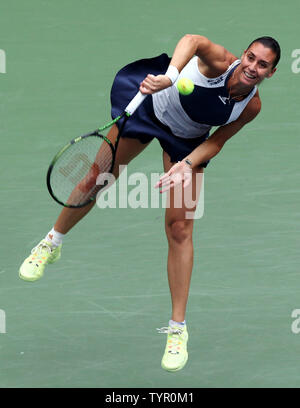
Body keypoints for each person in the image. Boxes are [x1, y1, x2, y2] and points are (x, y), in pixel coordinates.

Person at [19, 34, 280, 372]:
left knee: (180, 229)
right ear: (243, 55)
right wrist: (171, 76)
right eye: (251, 58)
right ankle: (50, 243)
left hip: (188, 140)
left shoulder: (251, 106)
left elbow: (218, 140)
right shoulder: (219, 62)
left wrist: (186, 165)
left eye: (262, 65)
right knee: (96, 178)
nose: (252, 67)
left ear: (271, 73)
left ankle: (177, 331)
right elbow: (193, 39)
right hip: (151, 109)